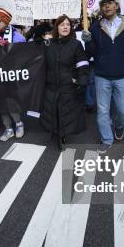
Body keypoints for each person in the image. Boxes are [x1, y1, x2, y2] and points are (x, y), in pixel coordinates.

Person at [84, 0, 124, 148]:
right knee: (102, 111)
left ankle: (119, 126)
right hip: (102, 76)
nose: (106, 7)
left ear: (117, 5)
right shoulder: (94, 26)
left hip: (123, 75)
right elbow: (91, 53)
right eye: (103, 5)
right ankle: (106, 139)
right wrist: (88, 42)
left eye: (110, 3)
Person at [38, 14, 89, 148]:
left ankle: (62, 135)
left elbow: (82, 63)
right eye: (62, 24)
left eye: (68, 24)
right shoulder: (48, 44)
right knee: (52, 110)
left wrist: (80, 81)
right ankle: (55, 132)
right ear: (57, 27)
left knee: (65, 111)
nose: (65, 27)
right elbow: (36, 56)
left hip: (68, 84)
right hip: (51, 84)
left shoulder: (76, 44)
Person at [0, 8, 27, 141]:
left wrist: (9, 47)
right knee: (1, 103)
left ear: (6, 21)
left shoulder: (18, 37)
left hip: (12, 75)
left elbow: (24, 56)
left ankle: (19, 124)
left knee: (11, 102)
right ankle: (8, 128)